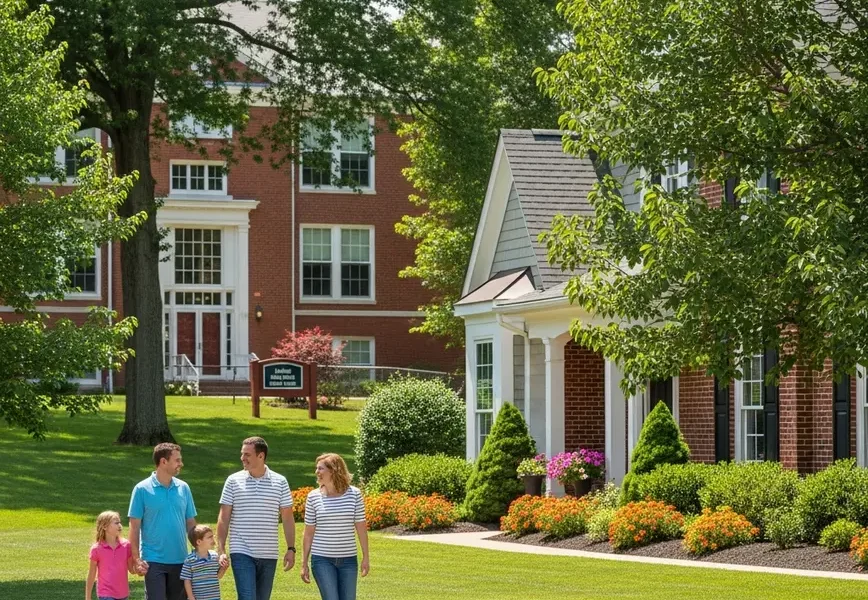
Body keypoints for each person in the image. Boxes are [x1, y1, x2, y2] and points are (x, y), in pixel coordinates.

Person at [217, 436, 295, 600]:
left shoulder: (280, 482)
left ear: (261, 456)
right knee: (247, 597)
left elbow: (287, 518)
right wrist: (222, 549)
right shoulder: (233, 481)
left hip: (269, 553)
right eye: (242, 454)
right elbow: (224, 517)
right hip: (241, 550)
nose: (242, 458)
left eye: (247, 455)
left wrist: (291, 548)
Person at [129, 442, 198, 600]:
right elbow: (134, 527)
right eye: (177, 460)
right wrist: (136, 559)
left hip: (181, 559)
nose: (181, 464)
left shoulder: (184, 488)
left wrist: (199, 552)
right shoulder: (141, 489)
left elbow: (190, 523)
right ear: (163, 461)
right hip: (153, 561)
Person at [301, 453, 369, 600]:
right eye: (316, 468)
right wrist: (304, 563)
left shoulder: (354, 494)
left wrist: (366, 557)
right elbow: (308, 532)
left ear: (333, 470)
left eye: (321, 469)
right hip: (322, 559)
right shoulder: (313, 497)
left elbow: (361, 527)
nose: (316, 472)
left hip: (349, 560)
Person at [85, 510, 135, 600]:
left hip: (123, 594)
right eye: (116, 523)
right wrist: (88, 597)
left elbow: (131, 569)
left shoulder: (126, 545)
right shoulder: (97, 549)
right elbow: (92, 574)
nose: (120, 525)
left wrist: (140, 567)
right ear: (104, 526)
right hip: (105, 593)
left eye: (120, 522)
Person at [181, 525, 227, 600]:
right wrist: (191, 597)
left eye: (212, 536)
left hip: (214, 597)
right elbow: (187, 580)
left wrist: (223, 569)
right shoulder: (190, 560)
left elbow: (217, 576)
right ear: (199, 542)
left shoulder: (214, 556)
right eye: (210, 537)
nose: (213, 539)